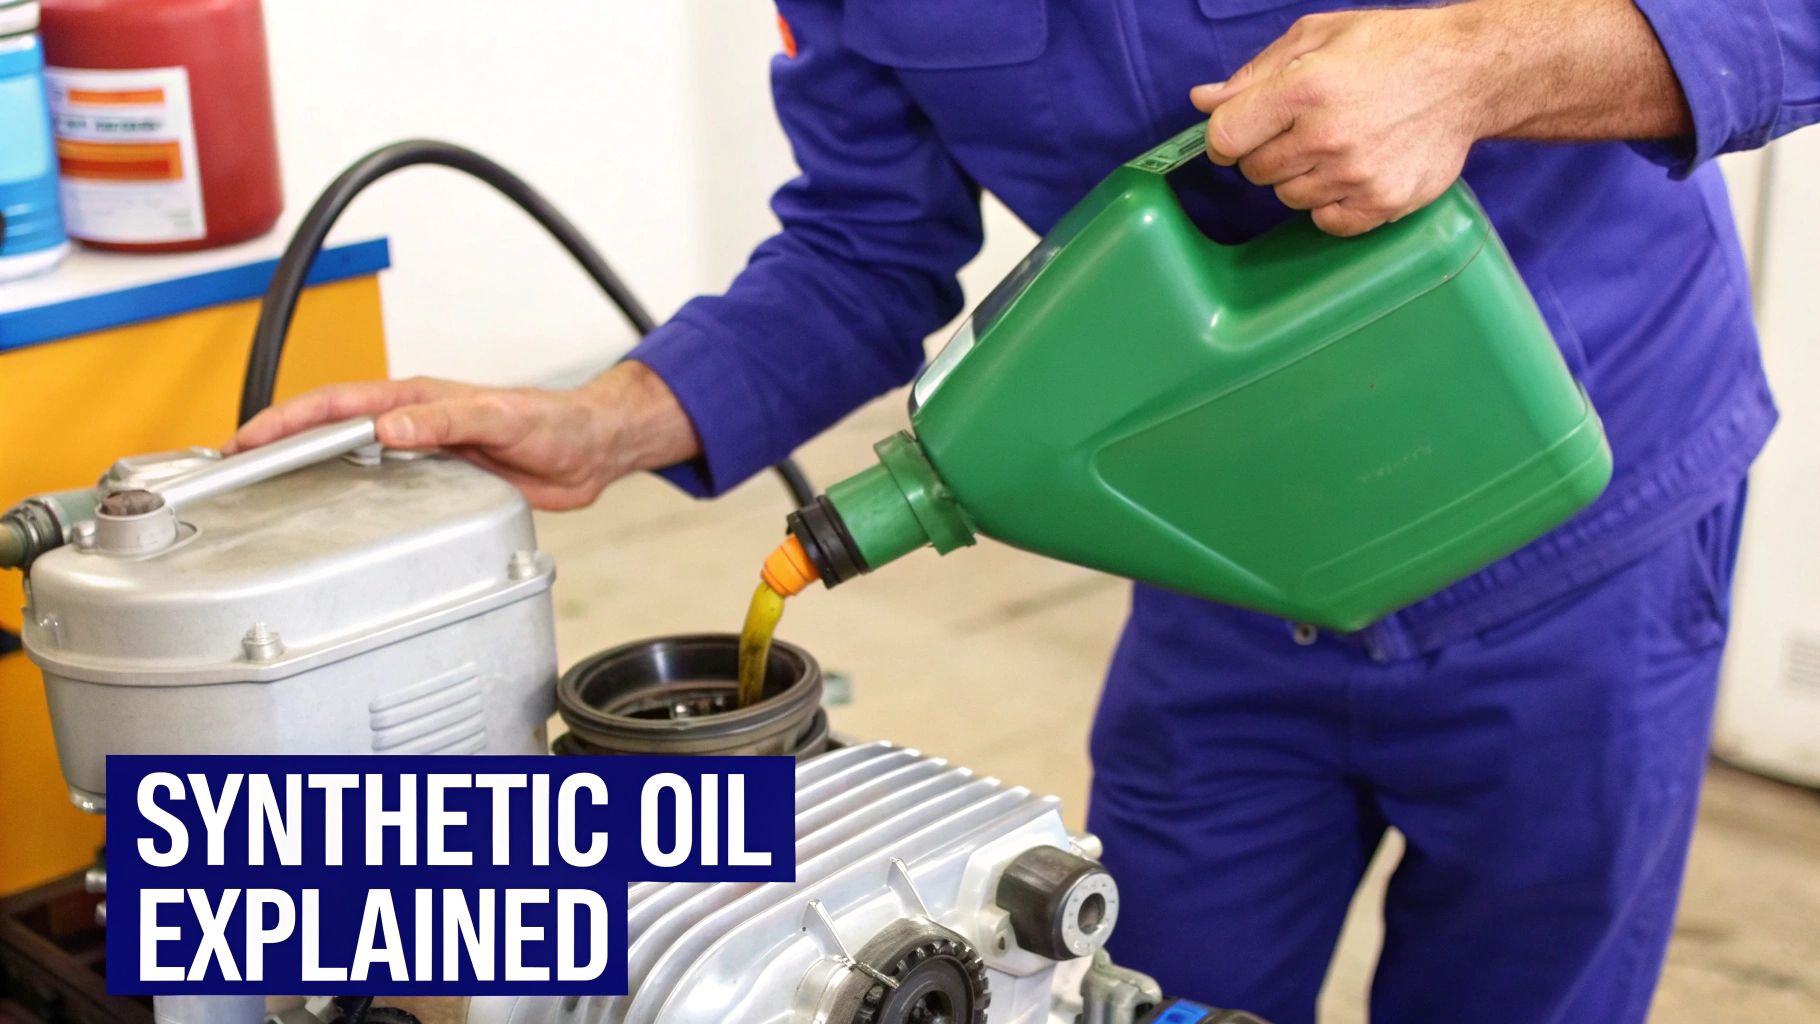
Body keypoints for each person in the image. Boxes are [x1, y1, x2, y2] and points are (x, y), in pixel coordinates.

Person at [232, 2, 1820, 1021]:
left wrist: (1477, 66)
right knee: (1111, 983)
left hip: (1572, 531)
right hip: (1214, 546)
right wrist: (603, 421)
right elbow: (865, 245)